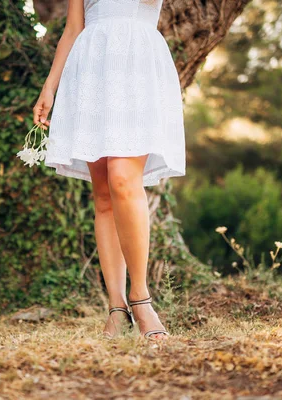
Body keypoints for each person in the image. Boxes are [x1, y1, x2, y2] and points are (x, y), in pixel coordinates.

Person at [32, 0, 186, 340]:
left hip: (138, 65)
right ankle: (116, 307)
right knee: (103, 196)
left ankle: (141, 297)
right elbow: (73, 29)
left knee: (123, 178)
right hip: (91, 69)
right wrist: (50, 87)